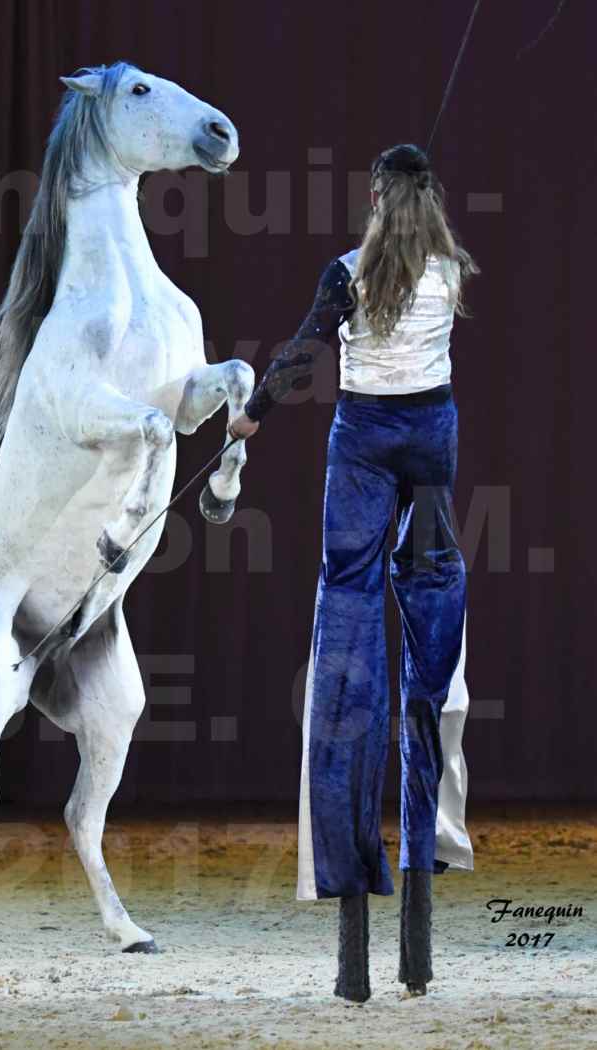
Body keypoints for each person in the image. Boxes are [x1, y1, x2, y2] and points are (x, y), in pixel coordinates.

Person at [228, 143, 479, 1002]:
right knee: (430, 630)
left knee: (346, 623)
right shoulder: (451, 267)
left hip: (366, 443)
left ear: (375, 196)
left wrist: (252, 417)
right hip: (430, 442)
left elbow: (301, 353)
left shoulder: (344, 273)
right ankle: (415, 908)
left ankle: (352, 928)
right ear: (431, 198)